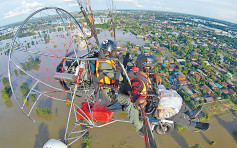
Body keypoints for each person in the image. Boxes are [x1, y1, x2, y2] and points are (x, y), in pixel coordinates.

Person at [129, 53, 210, 134]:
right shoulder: (138, 81)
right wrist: (139, 98)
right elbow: (134, 94)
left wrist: (156, 76)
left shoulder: (142, 74)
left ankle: (191, 113)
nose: (153, 67)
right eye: (152, 66)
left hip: (154, 99)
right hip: (150, 107)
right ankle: (195, 124)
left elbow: (150, 76)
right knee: (174, 116)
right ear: (146, 67)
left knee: (173, 101)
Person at [94, 39, 143, 132]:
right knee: (129, 101)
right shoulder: (104, 64)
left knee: (131, 90)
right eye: (114, 51)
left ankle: (137, 113)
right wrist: (125, 68)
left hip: (112, 88)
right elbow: (119, 78)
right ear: (109, 52)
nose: (115, 53)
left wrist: (123, 62)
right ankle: (140, 127)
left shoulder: (106, 60)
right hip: (108, 93)